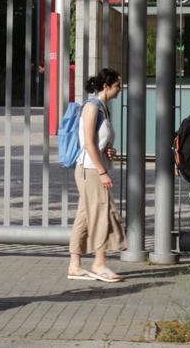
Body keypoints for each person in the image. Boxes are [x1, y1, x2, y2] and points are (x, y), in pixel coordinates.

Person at [67, 68, 126, 283]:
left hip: (93, 167)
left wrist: (109, 150)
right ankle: (99, 263)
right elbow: (89, 143)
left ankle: (74, 265)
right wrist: (102, 172)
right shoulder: (92, 107)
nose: (120, 89)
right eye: (118, 85)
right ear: (106, 86)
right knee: (104, 212)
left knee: (84, 216)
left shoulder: (103, 108)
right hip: (90, 170)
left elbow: (99, 143)